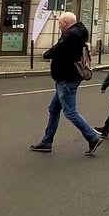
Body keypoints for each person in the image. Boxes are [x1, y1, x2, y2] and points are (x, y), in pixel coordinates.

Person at [29, 11, 103, 156]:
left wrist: (46, 54)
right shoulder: (78, 32)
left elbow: (58, 48)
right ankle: (47, 142)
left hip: (67, 78)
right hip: (66, 77)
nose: (59, 26)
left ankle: (92, 138)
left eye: (60, 23)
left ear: (66, 23)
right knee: (54, 109)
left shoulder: (71, 35)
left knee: (70, 111)